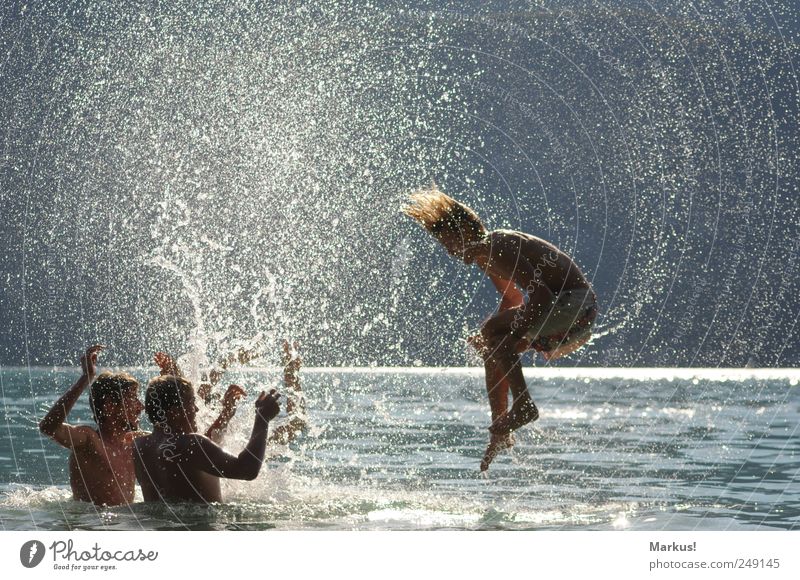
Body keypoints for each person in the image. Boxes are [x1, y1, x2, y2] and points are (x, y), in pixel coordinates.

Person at [404, 185, 598, 470]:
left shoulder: (496, 244)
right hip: (569, 313)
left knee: (493, 333)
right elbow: (512, 298)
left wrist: (505, 333)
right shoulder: (485, 256)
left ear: (464, 233)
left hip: (574, 306)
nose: (451, 254)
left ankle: (524, 406)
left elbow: (541, 294)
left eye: (450, 245)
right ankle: (500, 425)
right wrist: (498, 340)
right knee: (491, 343)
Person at [133, 375, 281, 503]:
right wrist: (262, 418)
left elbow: (196, 457)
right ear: (174, 412)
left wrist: (226, 414)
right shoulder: (190, 444)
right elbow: (247, 470)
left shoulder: (139, 446)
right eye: (191, 403)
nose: (196, 409)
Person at [39, 345, 145, 506]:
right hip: (91, 525)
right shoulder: (89, 440)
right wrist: (86, 378)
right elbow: (48, 427)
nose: (140, 407)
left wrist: (174, 377)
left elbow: (178, 441)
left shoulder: (136, 441)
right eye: (133, 399)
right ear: (109, 406)